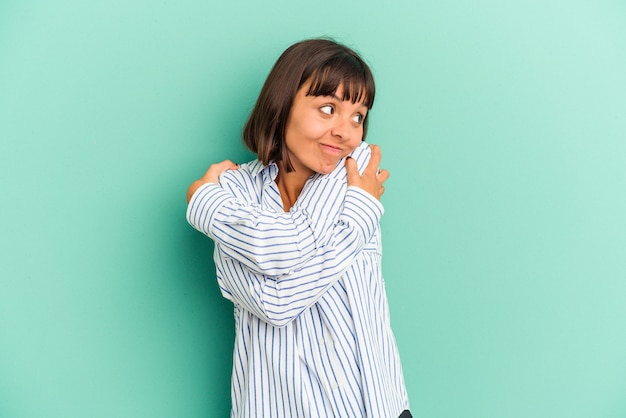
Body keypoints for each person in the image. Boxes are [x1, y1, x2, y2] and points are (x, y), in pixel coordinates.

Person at [186, 38, 411, 418]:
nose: (346, 131)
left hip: (373, 406)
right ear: (283, 104)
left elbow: (283, 262)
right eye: (328, 108)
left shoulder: (350, 175)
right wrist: (360, 216)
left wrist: (204, 203)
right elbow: (276, 302)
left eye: (358, 116)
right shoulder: (238, 192)